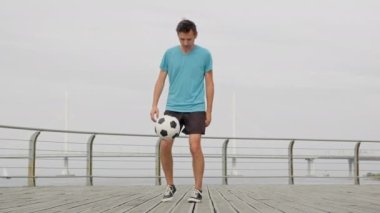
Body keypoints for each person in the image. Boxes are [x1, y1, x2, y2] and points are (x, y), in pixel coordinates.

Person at [150, 19, 214, 203]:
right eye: (182, 39)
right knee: (165, 144)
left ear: (195, 35)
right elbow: (160, 79)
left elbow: (209, 83)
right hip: (173, 107)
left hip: (196, 107)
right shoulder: (169, 54)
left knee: (194, 146)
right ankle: (170, 185)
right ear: (178, 37)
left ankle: (198, 189)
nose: (186, 43)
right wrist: (154, 104)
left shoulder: (205, 55)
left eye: (189, 39)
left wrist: (209, 111)